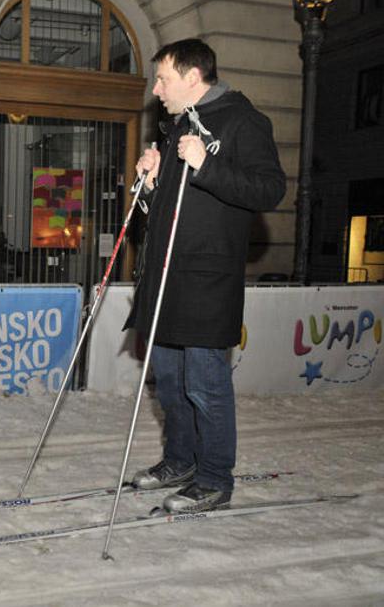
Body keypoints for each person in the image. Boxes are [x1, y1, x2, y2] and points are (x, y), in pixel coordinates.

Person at [124, 39, 285, 512]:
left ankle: (214, 477)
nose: (157, 89)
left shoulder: (243, 120)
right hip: (166, 280)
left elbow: (269, 190)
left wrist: (207, 164)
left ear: (193, 78)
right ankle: (181, 460)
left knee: (204, 385)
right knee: (170, 382)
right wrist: (150, 185)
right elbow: (167, 216)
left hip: (207, 282)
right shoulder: (175, 129)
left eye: (164, 79)